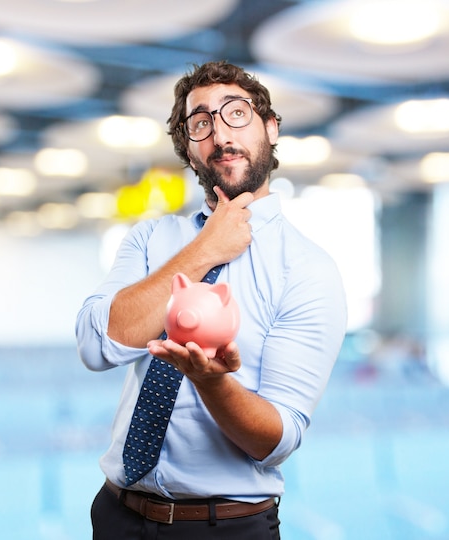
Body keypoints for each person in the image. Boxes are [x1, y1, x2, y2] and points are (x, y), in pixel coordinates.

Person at [76, 60, 348, 539]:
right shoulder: (151, 239)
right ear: (189, 149)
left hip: (226, 528)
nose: (220, 133)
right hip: (117, 514)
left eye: (236, 114)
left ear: (270, 127)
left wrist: (212, 383)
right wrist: (206, 249)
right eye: (200, 123)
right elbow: (99, 345)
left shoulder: (309, 270)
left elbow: (278, 440)